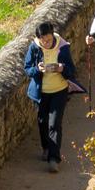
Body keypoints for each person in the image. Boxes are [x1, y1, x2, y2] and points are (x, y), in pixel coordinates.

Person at [24, 20, 80, 172]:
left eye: (48, 39)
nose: (46, 43)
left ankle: (54, 158)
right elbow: (27, 69)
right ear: (38, 39)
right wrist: (38, 69)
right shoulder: (34, 48)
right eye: (43, 40)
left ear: (52, 36)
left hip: (59, 91)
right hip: (41, 93)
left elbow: (71, 69)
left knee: (54, 124)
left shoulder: (62, 47)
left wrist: (62, 68)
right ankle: (46, 148)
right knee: (42, 122)